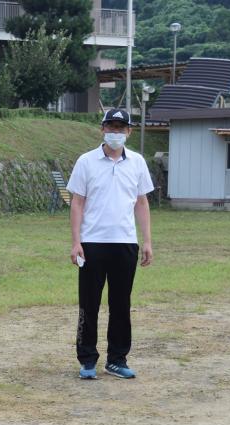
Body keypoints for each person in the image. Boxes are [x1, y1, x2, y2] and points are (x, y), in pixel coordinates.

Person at [67, 107, 154, 381]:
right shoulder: (86, 161)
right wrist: (76, 241)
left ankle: (117, 359)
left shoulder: (137, 162)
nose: (115, 132)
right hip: (92, 242)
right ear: (102, 129)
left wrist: (147, 241)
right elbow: (77, 202)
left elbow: (141, 202)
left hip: (125, 243)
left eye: (120, 128)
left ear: (129, 131)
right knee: (89, 303)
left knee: (121, 304)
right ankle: (87, 359)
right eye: (110, 127)